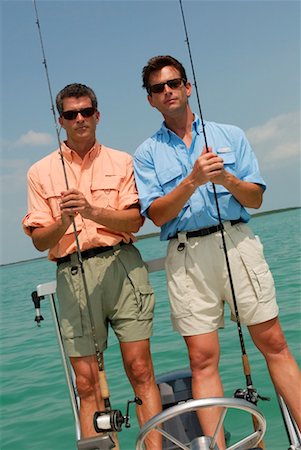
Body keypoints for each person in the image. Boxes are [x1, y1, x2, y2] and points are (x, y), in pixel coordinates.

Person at [133, 55, 301, 449]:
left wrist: (224, 176)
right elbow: (156, 214)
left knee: (274, 342)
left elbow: (255, 197)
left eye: (174, 83)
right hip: (186, 254)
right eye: (158, 88)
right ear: (151, 101)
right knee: (203, 359)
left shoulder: (231, 134)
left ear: (188, 88)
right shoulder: (147, 153)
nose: (168, 92)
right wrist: (192, 180)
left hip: (237, 243)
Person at [22, 83, 162, 449]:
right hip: (72, 273)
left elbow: (134, 221)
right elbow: (39, 240)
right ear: (61, 122)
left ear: (98, 115)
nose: (80, 119)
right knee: (86, 383)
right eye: (71, 114)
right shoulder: (39, 172)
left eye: (86, 112)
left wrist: (90, 210)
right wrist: (63, 221)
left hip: (122, 269)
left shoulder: (122, 161)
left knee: (141, 369)